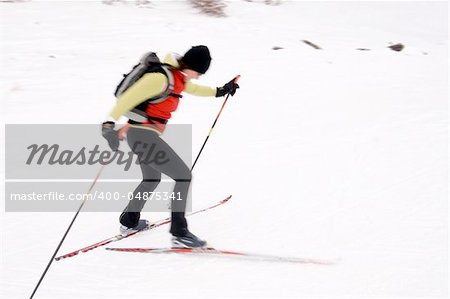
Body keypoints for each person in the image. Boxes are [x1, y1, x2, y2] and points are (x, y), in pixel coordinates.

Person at [101, 45, 239, 248]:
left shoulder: (177, 79)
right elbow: (127, 98)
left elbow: (195, 89)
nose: (199, 77)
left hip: (143, 135)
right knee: (183, 175)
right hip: (142, 135)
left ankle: (129, 221)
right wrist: (108, 125)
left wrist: (220, 91)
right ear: (191, 65)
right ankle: (179, 232)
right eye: (199, 72)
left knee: (151, 178)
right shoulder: (160, 78)